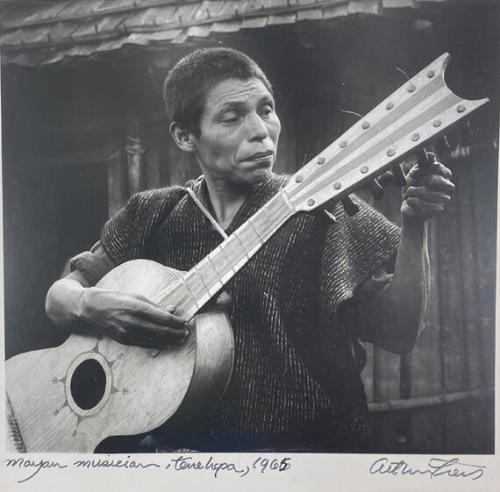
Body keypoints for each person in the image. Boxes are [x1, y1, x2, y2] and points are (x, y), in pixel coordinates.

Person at [45, 47, 454, 452]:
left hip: (307, 459)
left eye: (266, 109)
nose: (260, 130)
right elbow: (60, 297)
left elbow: (400, 333)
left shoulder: (321, 207)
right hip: (182, 463)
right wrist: (91, 305)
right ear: (185, 136)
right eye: (232, 116)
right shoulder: (152, 213)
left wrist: (414, 225)